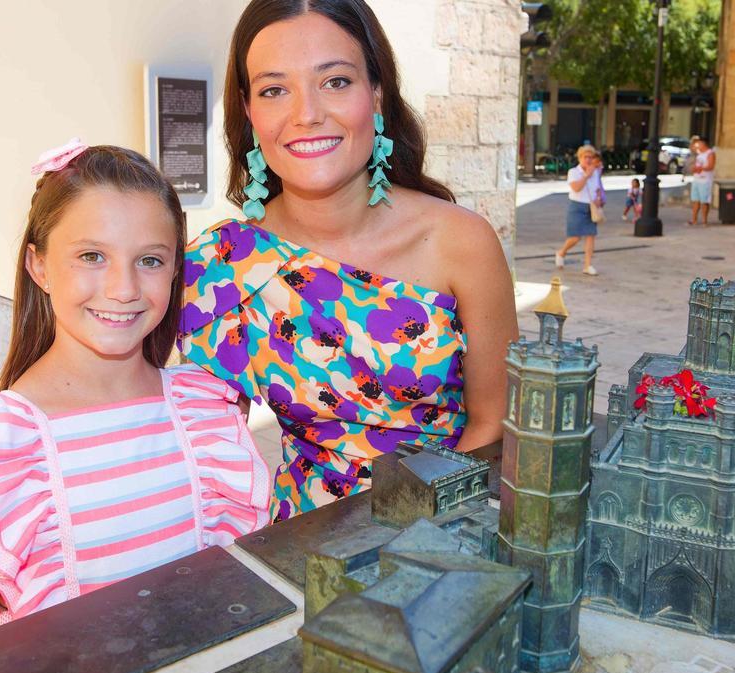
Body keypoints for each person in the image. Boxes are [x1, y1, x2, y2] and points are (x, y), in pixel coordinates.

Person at [0, 142, 270, 648]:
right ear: (39, 266)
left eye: (149, 259)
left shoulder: (208, 414)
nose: (123, 288)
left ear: (175, 271)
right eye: (91, 256)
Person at [180, 0, 517, 521]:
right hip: (300, 549)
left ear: (376, 94)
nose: (307, 113)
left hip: (445, 539)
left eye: (335, 81)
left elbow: (493, 427)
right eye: (274, 90)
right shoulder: (221, 264)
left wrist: (413, 539)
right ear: (248, 112)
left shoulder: (461, 243)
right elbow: (204, 455)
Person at [555, 144, 604, 275]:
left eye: (590, 157)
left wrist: (598, 198)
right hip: (576, 206)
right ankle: (562, 252)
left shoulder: (596, 172)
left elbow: (598, 188)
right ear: (580, 158)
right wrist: (586, 176)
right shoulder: (574, 172)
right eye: (585, 157)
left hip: (591, 207)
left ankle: (588, 265)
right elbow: (576, 188)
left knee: (590, 236)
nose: (588, 160)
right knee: (575, 237)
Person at [689, 138, 715, 225]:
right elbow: (691, 148)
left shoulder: (710, 153)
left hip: (705, 180)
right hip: (697, 179)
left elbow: (711, 166)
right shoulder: (699, 154)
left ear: (703, 143)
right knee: (695, 200)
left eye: (698, 144)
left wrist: (701, 168)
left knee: (704, 201)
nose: (697, 146)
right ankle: (694, 219)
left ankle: (704, 220)